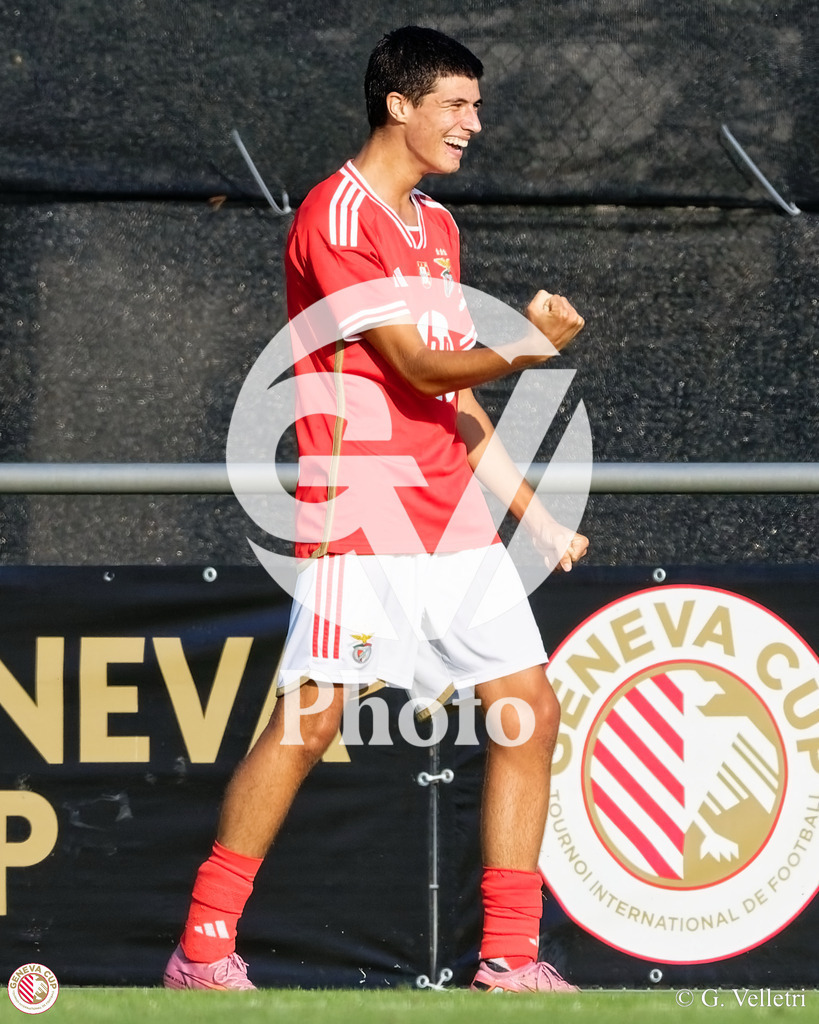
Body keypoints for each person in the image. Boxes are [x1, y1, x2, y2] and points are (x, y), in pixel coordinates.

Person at [164, 25, 588, 994]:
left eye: (475, 106)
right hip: (364, 519)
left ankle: (509, 958)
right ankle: (203, 948)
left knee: (528, 710)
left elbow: (454, 396)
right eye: (456, 104)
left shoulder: (436, 226)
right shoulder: (337, 215)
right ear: (399, 104)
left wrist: (532, 513)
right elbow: (416, 366)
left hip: (457, 530)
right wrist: (527, 343)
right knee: (309, 724)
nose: (473, 123)